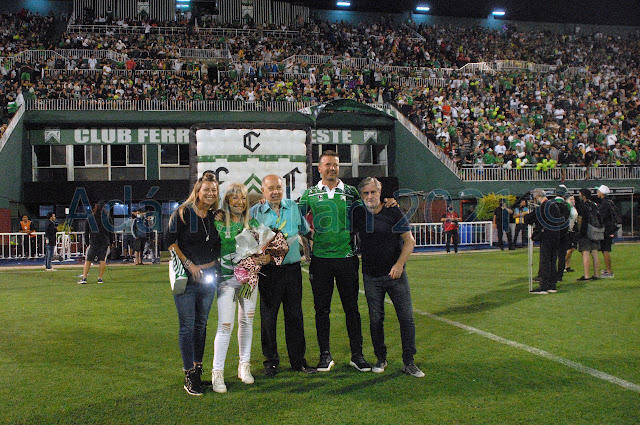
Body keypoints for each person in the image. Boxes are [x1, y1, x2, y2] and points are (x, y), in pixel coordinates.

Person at [299, 150, 371, 372]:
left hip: (347, 259)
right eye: (328, 165)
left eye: (335, 165)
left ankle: (357, 355)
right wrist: (308, 236)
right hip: (321, 260)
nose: (332, 168)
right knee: (322, 310)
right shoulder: (310, 194)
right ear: (319, 168)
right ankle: (325, 355)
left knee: (352, 309)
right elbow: (296, 217)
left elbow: (365, 215)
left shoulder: (350, 192)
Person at [352, 177, 425, 378]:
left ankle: (409, 362)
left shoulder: (393, 211)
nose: (370, 196)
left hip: (396, 276)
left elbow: (409, 241)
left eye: (373, 192)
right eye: (365, 193)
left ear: (380, 192)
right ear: (361, 195)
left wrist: (399, 264)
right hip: (371, 276)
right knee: (376, 320)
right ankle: (380, 358)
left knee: (406, 318)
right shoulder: (358, 213)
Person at [250, 175, 317, 376]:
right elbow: (248, 240)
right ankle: (271, 362)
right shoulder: (255, 212)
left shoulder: (293, 207)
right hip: (269, 272)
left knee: (295, 316)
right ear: (263, 191)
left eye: (278, 187)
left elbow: (305, 231)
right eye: (270, 188)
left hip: (292, 270)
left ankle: (298, 361)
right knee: (269, 318)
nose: (275, 192)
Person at [165, 172, 221, 396]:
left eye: (214, 190)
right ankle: (188, 373)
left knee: (201, 325)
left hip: (208, 278)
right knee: (187, 326)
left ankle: (198, 369)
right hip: (188, 279)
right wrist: (189, 264)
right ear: (198, 191)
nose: (210, 193)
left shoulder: (214, 217)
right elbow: (169, 241)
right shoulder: (183, 212)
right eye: (206, 189)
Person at [212, 183, 270, 393]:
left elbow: (264, 250)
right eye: (235, 198)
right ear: (227, 200)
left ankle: (244, 365)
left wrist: (263, 257)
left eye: (243, 198)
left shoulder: (252, 224)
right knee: (225, 325)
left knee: (246, 322)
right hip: (226, 280)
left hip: (249, 281)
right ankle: (217, 372)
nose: (239, 202)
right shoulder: (217, 222)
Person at [526, 189, 566, 294]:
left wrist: (527, 214)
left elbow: (529, 219)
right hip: (556, 235)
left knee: (545, 261)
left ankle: (543, 286)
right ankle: (552, 285)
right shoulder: (554, 205)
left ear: (538, 197)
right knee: (553, 260)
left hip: (546, 236)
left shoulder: (542, 207)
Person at [78, 201, 112, 284]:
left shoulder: (90, 217)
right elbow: (111, 231)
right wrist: (111, 242)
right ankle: (100, 278)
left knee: (88, 259)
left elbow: (86, 232)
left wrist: (87, 242)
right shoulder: (107, 218)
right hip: (104, 241)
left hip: (94, 241)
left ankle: (84, 278)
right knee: (102, 259)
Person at [575, 188, 600, 281]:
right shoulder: (594, 205)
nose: (579, 196)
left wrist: (578, 231)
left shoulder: (582, 206)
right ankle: (596, 274)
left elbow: (580, 220)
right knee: (595, 253)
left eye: (580, 194)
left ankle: (587, 276)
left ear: (584, 196)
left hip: (585, 232)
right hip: (595, 231)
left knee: (585, 253)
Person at [596, 185, 616, 278]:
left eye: (598, 191)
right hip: (609, 229)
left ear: (602, 193)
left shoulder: (605, 204)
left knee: (605, 250)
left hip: (606, 230)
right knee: (605, 250)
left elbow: (601, 217)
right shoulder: (609, 202)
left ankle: (609, 271)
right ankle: (608, 270)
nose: (597, 193)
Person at [563, 195, 579, 273]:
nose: (573, 200)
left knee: (572, 248)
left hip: (572, 230)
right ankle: (562, 265)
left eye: (573, 199)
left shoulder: (573, 208)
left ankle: (567, 266)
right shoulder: (567, 208)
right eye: (571, 199)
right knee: (569, 249)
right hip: (568, 231)